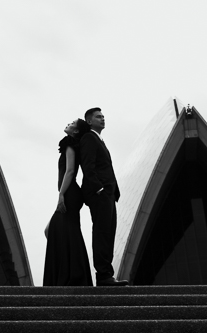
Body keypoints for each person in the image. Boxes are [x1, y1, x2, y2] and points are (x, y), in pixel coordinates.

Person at [80, 107, 128, 286]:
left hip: (108, 194)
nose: (102, 119)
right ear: (89, 121)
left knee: (109, 233)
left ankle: (107, 274)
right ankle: (103, 275)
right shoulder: (89, 138)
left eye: (103, 116)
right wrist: (98, 189)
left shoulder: (99, 140)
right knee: (102, 233)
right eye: (98, 117)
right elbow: (88, 165)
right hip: (100, 194)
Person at [42, 118, 92, 286]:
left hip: (70, 193)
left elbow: (70, 171)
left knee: (62, 230)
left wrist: (61, 194)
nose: (68, 124)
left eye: (72, 123)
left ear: (75, 131)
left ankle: (74, 274)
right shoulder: (69, 145)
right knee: (56, 230)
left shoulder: (70, 145)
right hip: (69, 193)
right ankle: (72, 272)